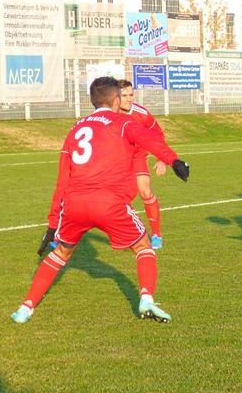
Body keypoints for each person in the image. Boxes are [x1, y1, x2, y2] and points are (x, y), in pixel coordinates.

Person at [11, 77, 190, 324]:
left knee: (60, 253)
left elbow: (62, 179)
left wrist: (53, 224)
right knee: (143, 246)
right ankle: (147, 299)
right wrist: (174, 160)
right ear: (116, 100)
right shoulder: (123, 122)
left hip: (74, 204)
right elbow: (149, 139)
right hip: (108, 203)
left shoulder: (75, 128)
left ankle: (25, 308)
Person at [119, 79, 167, 250]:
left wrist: (161, 158)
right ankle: (63, 237)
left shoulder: (142, 113)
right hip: (117, 159)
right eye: (124, 95)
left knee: (145, 192)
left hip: (137, 157)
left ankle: (156, 235)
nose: (129, 99)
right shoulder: (109, 113)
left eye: (131, 95)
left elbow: (157, 135)